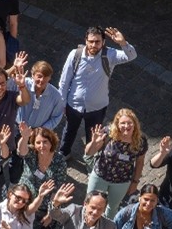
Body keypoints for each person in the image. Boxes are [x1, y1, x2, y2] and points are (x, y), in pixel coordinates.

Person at [57, 26, 137, 157]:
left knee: (93, 134)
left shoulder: (109, 55)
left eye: (97, 42)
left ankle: (90, 157)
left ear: (103, 42)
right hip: (74, 104)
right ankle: (64, 153)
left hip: (97, 107)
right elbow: (64, 82)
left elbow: (131, 56)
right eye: (91, 41)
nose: (94, 45)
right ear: (86, 40)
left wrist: (123, 43)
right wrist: (62, 103)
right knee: (69, 130)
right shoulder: (75, 55)